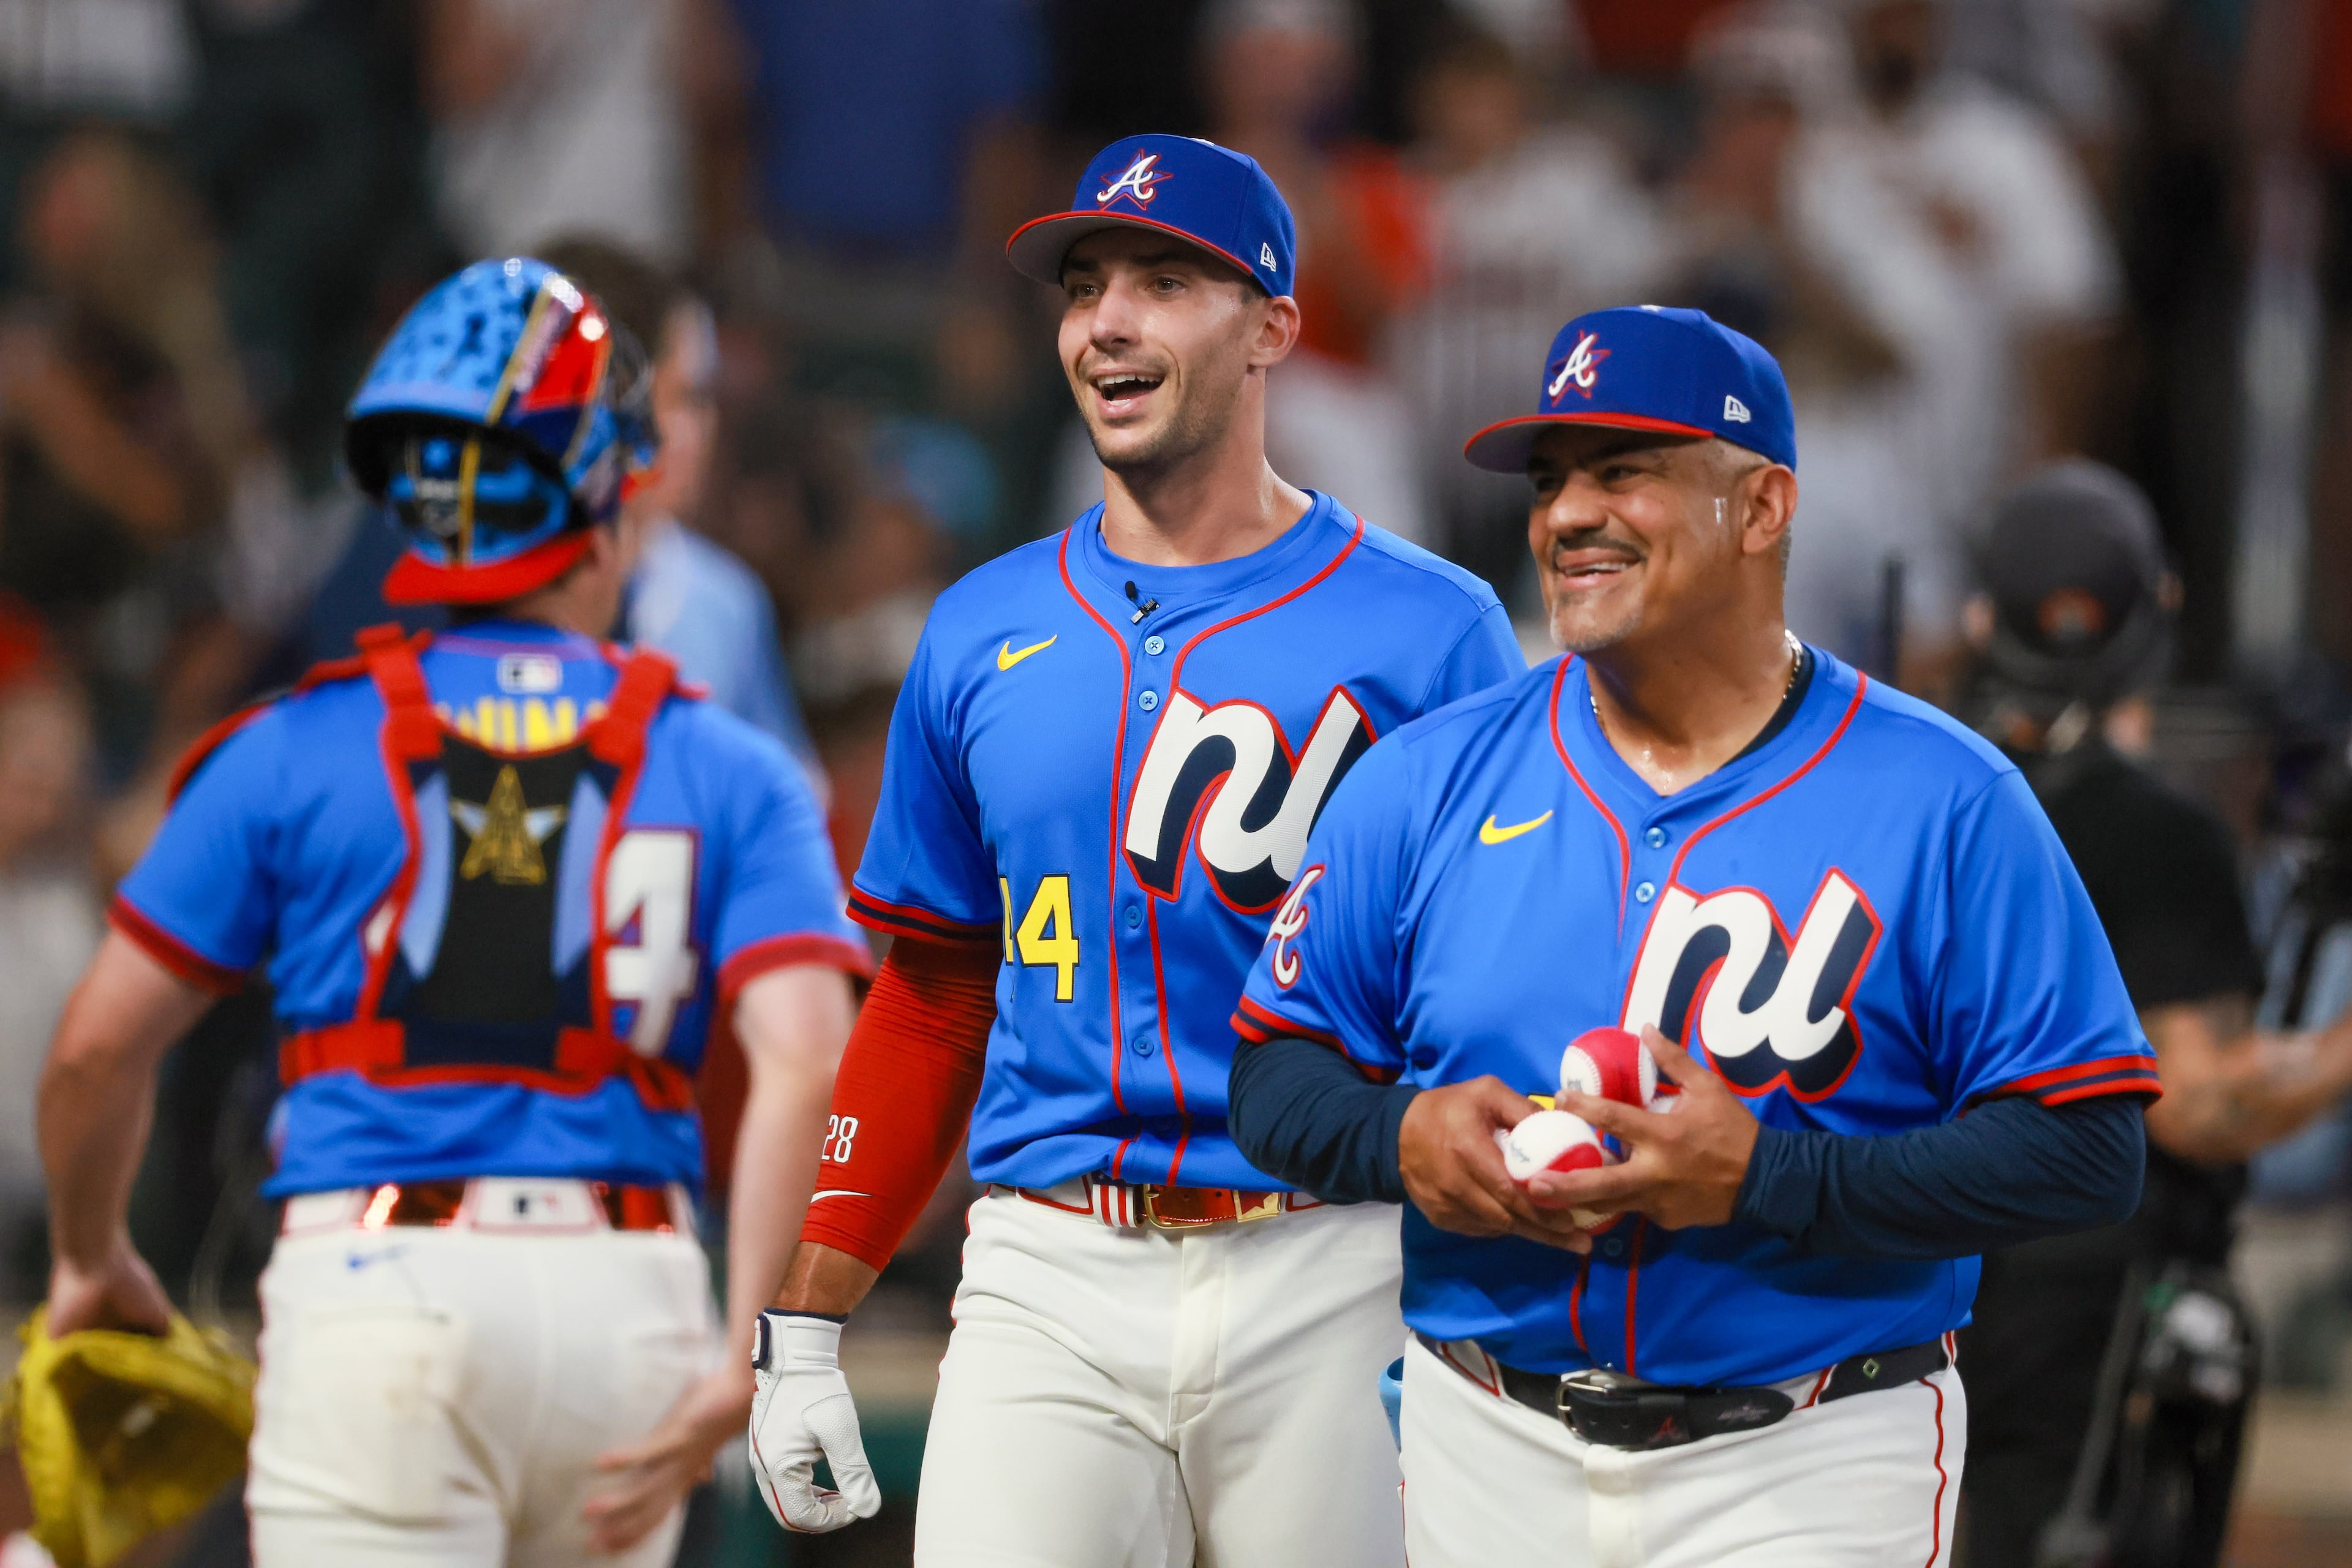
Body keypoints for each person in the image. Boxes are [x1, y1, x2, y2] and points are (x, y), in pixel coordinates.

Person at [1224, 304, 2154, 1566]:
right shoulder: (1427, 778)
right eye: (1553, 480)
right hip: (1486, 1440)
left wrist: (1769, 1177)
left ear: (1763, 506)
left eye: (1625, 471)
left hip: (1814, 1451)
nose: (1567, 515)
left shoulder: (1942, 794)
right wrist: (1401, 1135)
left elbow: (2089, 1146)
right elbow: (1273, 1073)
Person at [746, 134, 1522, 1566]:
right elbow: (928, 993)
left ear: (1273, 327)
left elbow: (1501, 998)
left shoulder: (1435, 630)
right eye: (1084, 284)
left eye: (1166, 281)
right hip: (1049, 1259)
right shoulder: (978, 628)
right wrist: (803, 1322)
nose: (1107, 318)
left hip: (1332, 1253)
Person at [36, 257, 871, 1567]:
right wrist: (755, 1343)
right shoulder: (727, 762)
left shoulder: (289, 747)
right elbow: (812, 1054)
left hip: (381, 1290)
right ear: (615, 487)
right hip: (631, 1299)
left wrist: (89, 1252)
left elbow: (96, 1047)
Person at [1956, 461, 2352, 1568]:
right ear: (2160, 610)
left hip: (1893, 1266)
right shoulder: (2155, 831)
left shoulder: (1911, 777)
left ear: (1984, 618)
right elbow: (2193, 1102)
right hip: (2078, 1305)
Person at [531, 236, 824, 782]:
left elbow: (790, 808)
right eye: (688, 397)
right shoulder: (450, 582)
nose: (709, 426)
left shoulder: (724, 603)